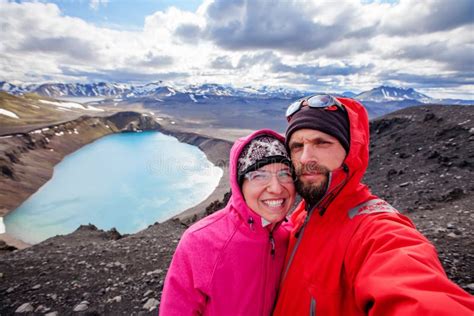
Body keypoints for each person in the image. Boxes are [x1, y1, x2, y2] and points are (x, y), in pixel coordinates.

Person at [273, 95, 474, 315]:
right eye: (297, 146)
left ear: (349, 150)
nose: (305, 157)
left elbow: (416, 292)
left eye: (322, 142)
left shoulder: (377, 229)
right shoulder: (299, 218)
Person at [160, 129, 296, 315]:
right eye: (259, 175)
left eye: (285, 174)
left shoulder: (289, 235)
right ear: (240, 185)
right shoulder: (201, 242)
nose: (276, 187)